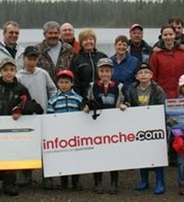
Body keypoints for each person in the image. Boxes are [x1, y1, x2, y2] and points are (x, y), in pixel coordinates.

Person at [0, 57, 43, 199]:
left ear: (15, 71)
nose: (9, 73)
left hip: (13, 131)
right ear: (0, 71)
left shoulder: (21, 88)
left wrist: (20, 112)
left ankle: (9, 184)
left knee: (11, 157)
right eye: (5, 70)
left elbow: (28, 105)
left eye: (11, 70)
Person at [16, 46, 57, 188]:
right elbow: (17, 96)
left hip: (43, 115)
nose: (31, 62)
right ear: (23, 59)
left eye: (34, 59)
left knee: (45, 147)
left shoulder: (43, 73)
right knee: (26, 145)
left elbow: (52, 89)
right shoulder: (18, 77)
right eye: (29, 59)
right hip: (27, 117)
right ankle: (26, 174)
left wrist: (51, 104)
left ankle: (47, 176)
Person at [84, 58, 127, 194]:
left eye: (107, 71)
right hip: (96, 124)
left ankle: (114, 182)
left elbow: (126, 100)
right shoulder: (92, 86)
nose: (105, 74)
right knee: (97, 154)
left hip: (113, 125)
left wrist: (124, 105)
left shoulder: (119, 86)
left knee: (113, 154)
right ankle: (98, 182)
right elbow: (87, 100)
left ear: (112, 72)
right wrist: (85, 106)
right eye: (102, 71)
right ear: (98, 72)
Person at [124, 62, 167, 195]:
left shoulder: (157, 89)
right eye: (141, 73)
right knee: (142, 154)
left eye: (146, 72)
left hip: (155, 126)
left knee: (157, 154)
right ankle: (144, 180)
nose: (143, 75)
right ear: (136, 76)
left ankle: (160, 181)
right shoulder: (132, 89)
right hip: (138, 126)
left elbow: (163, 106)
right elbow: (128, 102)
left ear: (151, 75)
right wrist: (124, 105)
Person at [46, 69, 85, 191]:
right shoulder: (53, 100)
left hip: (75, 135)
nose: (64, 85)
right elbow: (50, 117)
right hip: (60, 136)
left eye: (67, 82)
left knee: (75, 158)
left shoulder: (78, 99)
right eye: (61, 82)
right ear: (57, 83)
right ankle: (63, 182)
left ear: (72, 83)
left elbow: (83, 114)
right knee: (62, 158)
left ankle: (76, 181)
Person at [149, 24, 184, 99]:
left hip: (182, 95)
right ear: (162, 36)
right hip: (162, 94)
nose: (168, 37)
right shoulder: (156, 55)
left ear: (174, 35)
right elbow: (153, 77)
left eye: (171, 34)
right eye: (165, 35)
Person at [69, 29, 108, 97]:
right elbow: (75, 84)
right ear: (81, 42)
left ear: (94, 41)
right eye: (85, 40)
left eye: (91, 39)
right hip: (84, 97)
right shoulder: (76, 59)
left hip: (102, 96)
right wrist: (80, 100)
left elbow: (110, 78)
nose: (88, 42)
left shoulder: (103, 57)